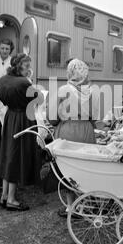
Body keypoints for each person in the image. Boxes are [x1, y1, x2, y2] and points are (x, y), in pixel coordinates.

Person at [46, 58, 99, 217]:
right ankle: (88, 203)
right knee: (86, 168)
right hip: (86, 131)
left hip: (67, 131)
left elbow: (52, 118)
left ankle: (71, 206)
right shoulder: (92, 90)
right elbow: (95, 116)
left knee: (67, 170)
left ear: (70, 72)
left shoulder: (63, 90)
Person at [0, 53, 38, 211]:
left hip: (10, 116)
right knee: (16, 155)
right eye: (26, 65)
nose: (29, 68)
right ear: (18, 66)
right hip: (22, 118)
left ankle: (4, 195)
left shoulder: (3, 79)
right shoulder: (23, 82)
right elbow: (37, 99)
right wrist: (30, 80)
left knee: (8, 154)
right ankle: (12, 199)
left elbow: (2, 98)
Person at [0, 38, 14, 135]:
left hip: (8, 99)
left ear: (10, 49)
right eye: (2, 48)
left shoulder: (13, 61)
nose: (4, 51)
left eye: (7, 49)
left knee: (6, 131)